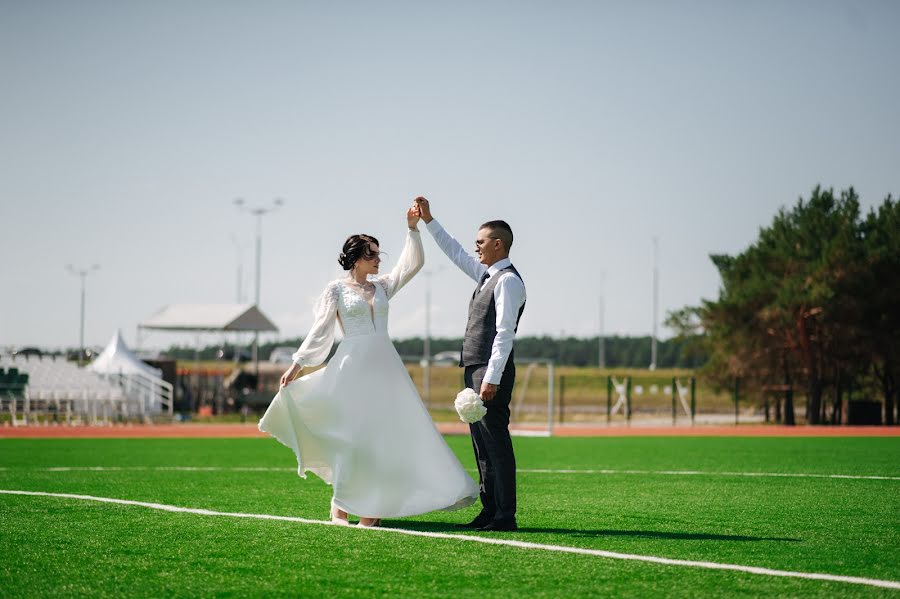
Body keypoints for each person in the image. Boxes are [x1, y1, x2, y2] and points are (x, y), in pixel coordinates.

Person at [258, 204, 478, 527]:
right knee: (352, 438)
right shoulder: (335, 290)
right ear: (356, 258)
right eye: (372, 254)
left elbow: (412, 263)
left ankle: (370, 509)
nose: (378, 260)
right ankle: (340, 505)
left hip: (385, 369)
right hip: (351, 369)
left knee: (381, 439)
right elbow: (321, 331)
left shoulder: (383, 286)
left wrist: (412, 229)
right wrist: (298, 365)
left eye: (378, 254)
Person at [415, 197, 526, 532]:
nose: (475, 247)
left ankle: (506, 514)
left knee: (496, 444)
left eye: (480, 242)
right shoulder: (485, 275)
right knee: (480, 445)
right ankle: (489, 510)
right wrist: (430, 221)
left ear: (497, 244)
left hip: (489, 372)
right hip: (474, 369)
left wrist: (490, 378)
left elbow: (504, 333)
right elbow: (455, 252)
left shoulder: (507, 280)